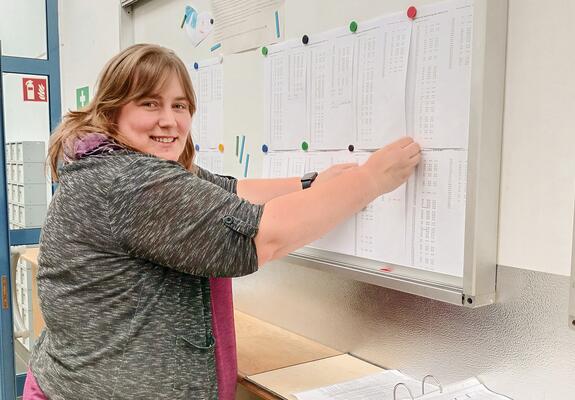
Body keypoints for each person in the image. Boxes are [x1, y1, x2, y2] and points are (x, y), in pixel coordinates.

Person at [23, 43, 420, 399]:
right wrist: (369, 181)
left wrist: (309, 184)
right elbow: (263, 237)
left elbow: (224, 189)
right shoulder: (131, 183)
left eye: (179, 105)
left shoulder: (108, 165)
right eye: (149, 103)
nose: (169, 120)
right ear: (112, 111)